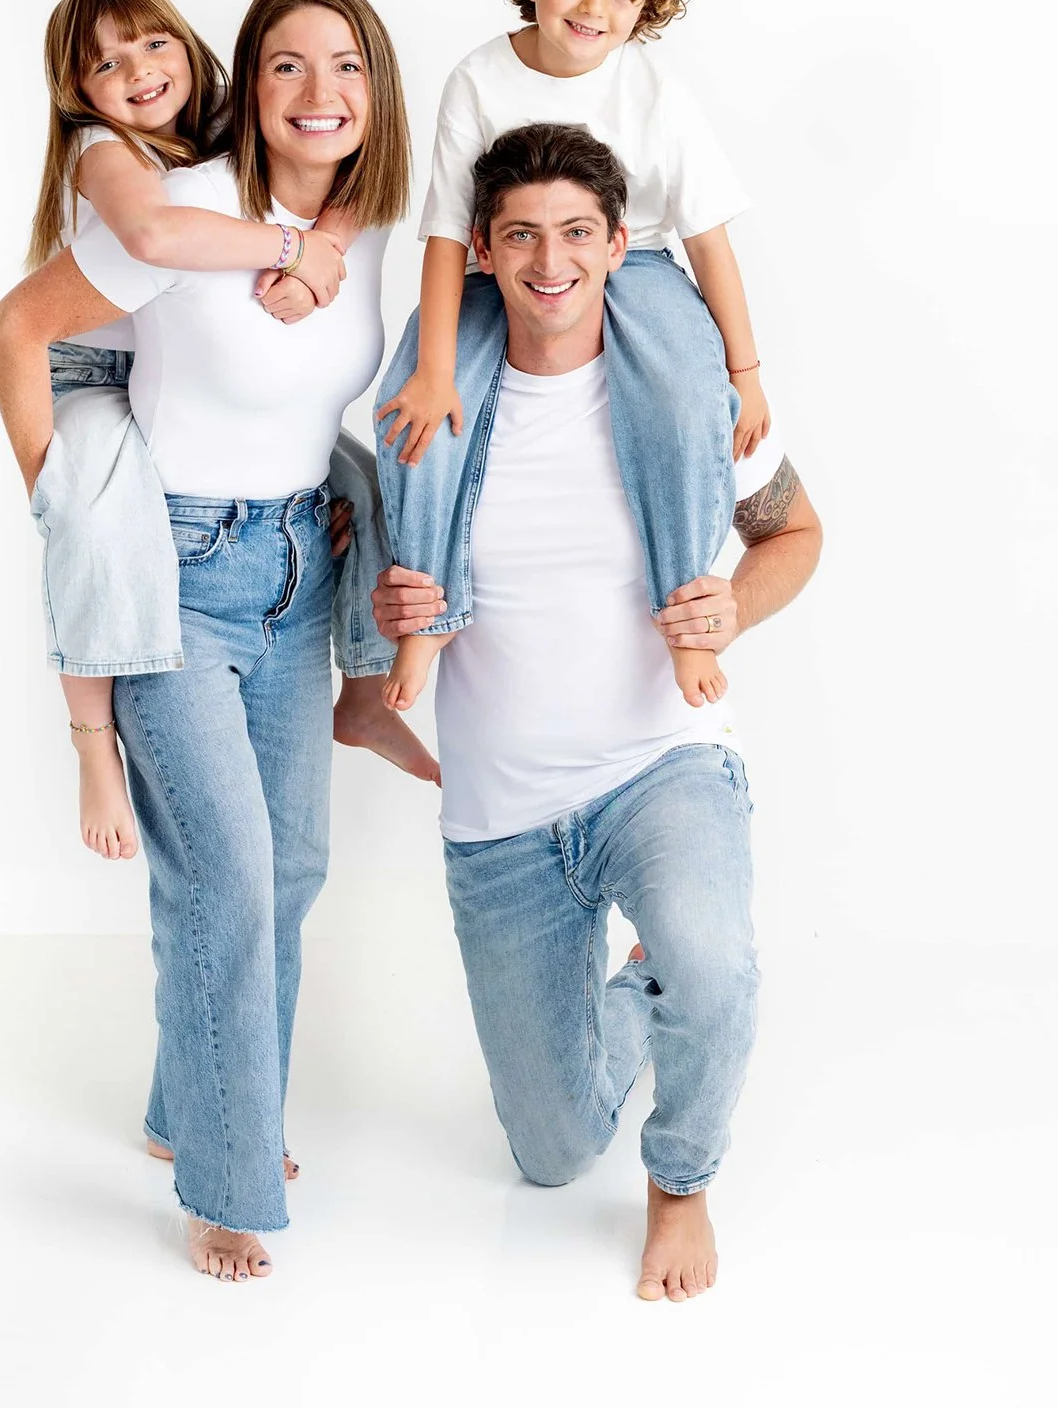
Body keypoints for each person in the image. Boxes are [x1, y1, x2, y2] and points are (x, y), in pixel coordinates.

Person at [0, 0, 413, 1284]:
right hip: (173, 570)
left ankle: (192, 1114)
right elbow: (13, 329)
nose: (318, 94)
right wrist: (66, 505)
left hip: (296, 560)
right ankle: (231, 1179)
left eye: (344, 66)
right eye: (286, 66)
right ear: (247, 81)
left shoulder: (382, 225)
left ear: (375, 86)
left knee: (284, 875)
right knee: (226, 883)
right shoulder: (186, 207)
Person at [368, 124, 821, 1301]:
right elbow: (392, 576)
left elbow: (794, 534)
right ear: (483, 250)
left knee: (714, 970)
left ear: (621, 245)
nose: (550, 260)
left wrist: (732, 608)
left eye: (577, 232)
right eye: (520, 234)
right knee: (554, 1154)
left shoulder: (683, 397)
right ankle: (642, 984)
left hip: (658, 766)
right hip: (500, 816)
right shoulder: (432, 410)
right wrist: (395, 596)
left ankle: (683, 1182)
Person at [13, 0, 434, 862]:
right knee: (88, 528)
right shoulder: (117, 157)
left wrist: (328, 243)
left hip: (290, 545)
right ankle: (91, 749)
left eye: (155, 44)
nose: (138, 73)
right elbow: (147, 246)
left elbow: (346, 147)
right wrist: (48, 484)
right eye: (106, 64)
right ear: (76, 91)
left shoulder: (224, 130)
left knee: (365, 477)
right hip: (93, 375)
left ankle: (361, 694)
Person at [374, 0, 770, 715]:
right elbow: (448, 237)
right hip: (501, 270)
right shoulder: (479, 80)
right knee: (413, 404)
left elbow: (708, 239)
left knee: (683, 402)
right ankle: (429, 609)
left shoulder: (653, 90)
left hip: (643, 264)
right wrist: (437, 366)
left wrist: (744, 371)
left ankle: (685, 610)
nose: (595, 7)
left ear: (644, 6)